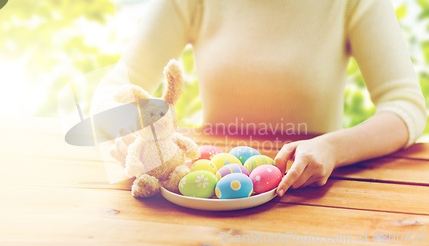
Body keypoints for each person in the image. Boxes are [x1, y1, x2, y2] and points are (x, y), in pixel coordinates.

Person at [91, 0, 427, 197]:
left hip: (306, 195)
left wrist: (334, 148)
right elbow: (116, 85)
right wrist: (127, 129)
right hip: (209, 198)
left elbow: (406, 105)